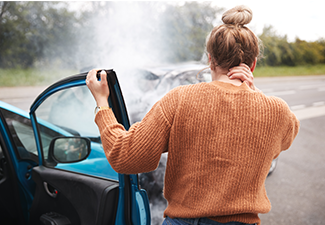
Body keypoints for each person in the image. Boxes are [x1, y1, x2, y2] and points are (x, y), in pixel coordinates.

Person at [86, 5, 299, 225]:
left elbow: (125, 156)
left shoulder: (179, 99)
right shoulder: (277, 110)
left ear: (210, 60)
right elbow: (287, 135)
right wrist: (253, 91)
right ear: (253, 64)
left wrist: (102, 104)